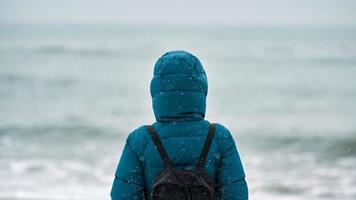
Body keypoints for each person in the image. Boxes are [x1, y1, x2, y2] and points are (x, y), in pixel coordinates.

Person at [110, 50, 248, 200]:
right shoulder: (219, 137)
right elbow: (236, 195)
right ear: (201, 89)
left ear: (156, 91)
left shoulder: (140, 140)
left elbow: (123, 196)